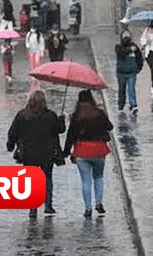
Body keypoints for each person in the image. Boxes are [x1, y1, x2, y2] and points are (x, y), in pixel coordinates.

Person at [7, 90, 66, 218]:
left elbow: (13, 132)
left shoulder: (22, 115)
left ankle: (33, 208)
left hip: (29, 154)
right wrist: (61, 120)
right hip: (47, 153)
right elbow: (59, 130)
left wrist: (10, 145)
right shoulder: (50, 116)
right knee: (47, 179)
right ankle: (48, 205)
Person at [63, 90, 113, 218]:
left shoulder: (76, 116)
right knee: (98, 177)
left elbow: (70, 136)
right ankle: (99, 202)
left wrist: (66, 152)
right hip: (98, 150)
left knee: (86, 180)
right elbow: (110, 126)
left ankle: (88, 208)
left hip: (82, 151)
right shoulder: (99, 113)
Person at [116, 30, 144, 113]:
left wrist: (138, 68)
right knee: (122, 89)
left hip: (132, 72)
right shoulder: (118, 47)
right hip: (121, 72)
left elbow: (139, 58)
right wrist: (130, 49)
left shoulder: (135, 47)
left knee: (131, 89)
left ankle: (133, 105)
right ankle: (121, 105)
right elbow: (121, 52)